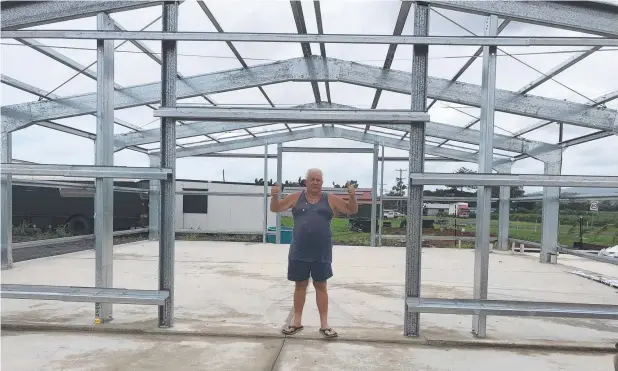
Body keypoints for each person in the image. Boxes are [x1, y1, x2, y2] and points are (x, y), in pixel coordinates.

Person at [270, 168, 358, 338]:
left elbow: (351, 210)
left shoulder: (330, 199)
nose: (316, 182)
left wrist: (352, 196)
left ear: (322, 183)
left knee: (321, 286)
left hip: (321, 252)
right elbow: (276, 208)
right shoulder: (296, 197)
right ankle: (296, 322)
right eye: (312, 179)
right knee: (300, 285)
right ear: (306, 182)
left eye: (319, 180)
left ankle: (324, 325)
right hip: (299, 251)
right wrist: (274, 196)